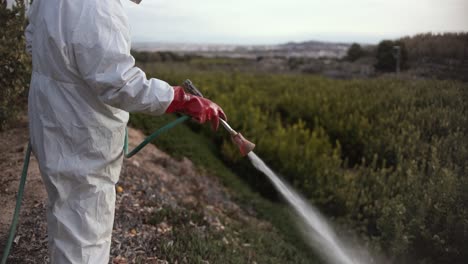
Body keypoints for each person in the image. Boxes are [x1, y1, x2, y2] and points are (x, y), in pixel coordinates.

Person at [25, 0, 226, 263]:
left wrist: (63, 75)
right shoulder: (100, 6)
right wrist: (179, 100)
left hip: (50, 119)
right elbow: (120, 83)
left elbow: (32, 42)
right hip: (80, 134)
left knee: (66, 213)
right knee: (86, 232)